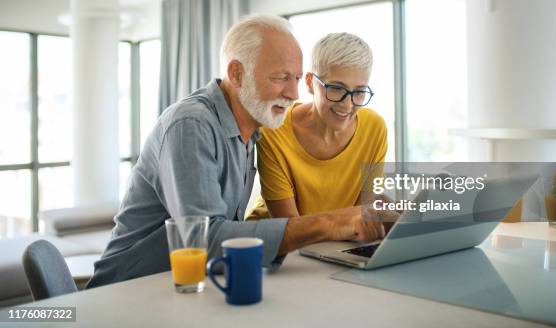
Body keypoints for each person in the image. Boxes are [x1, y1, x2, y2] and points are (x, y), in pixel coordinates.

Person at [87, 15, 384, 288]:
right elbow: (204, 241)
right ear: (237, 74)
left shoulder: (252, 132)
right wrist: (330, 222)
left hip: (188, 288)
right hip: (128, 292)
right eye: (280, 78)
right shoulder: (191, 125)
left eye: (295, 79)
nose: (293, 94)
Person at [247, 32, 387, 219]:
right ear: (310, 83)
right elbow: (289, 228)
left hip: (338, 243)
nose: (347, 105)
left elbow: (364, 217)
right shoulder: (274, 129)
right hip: (275, 243)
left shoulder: (374, 128)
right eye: (336, 88)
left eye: (359, 91)